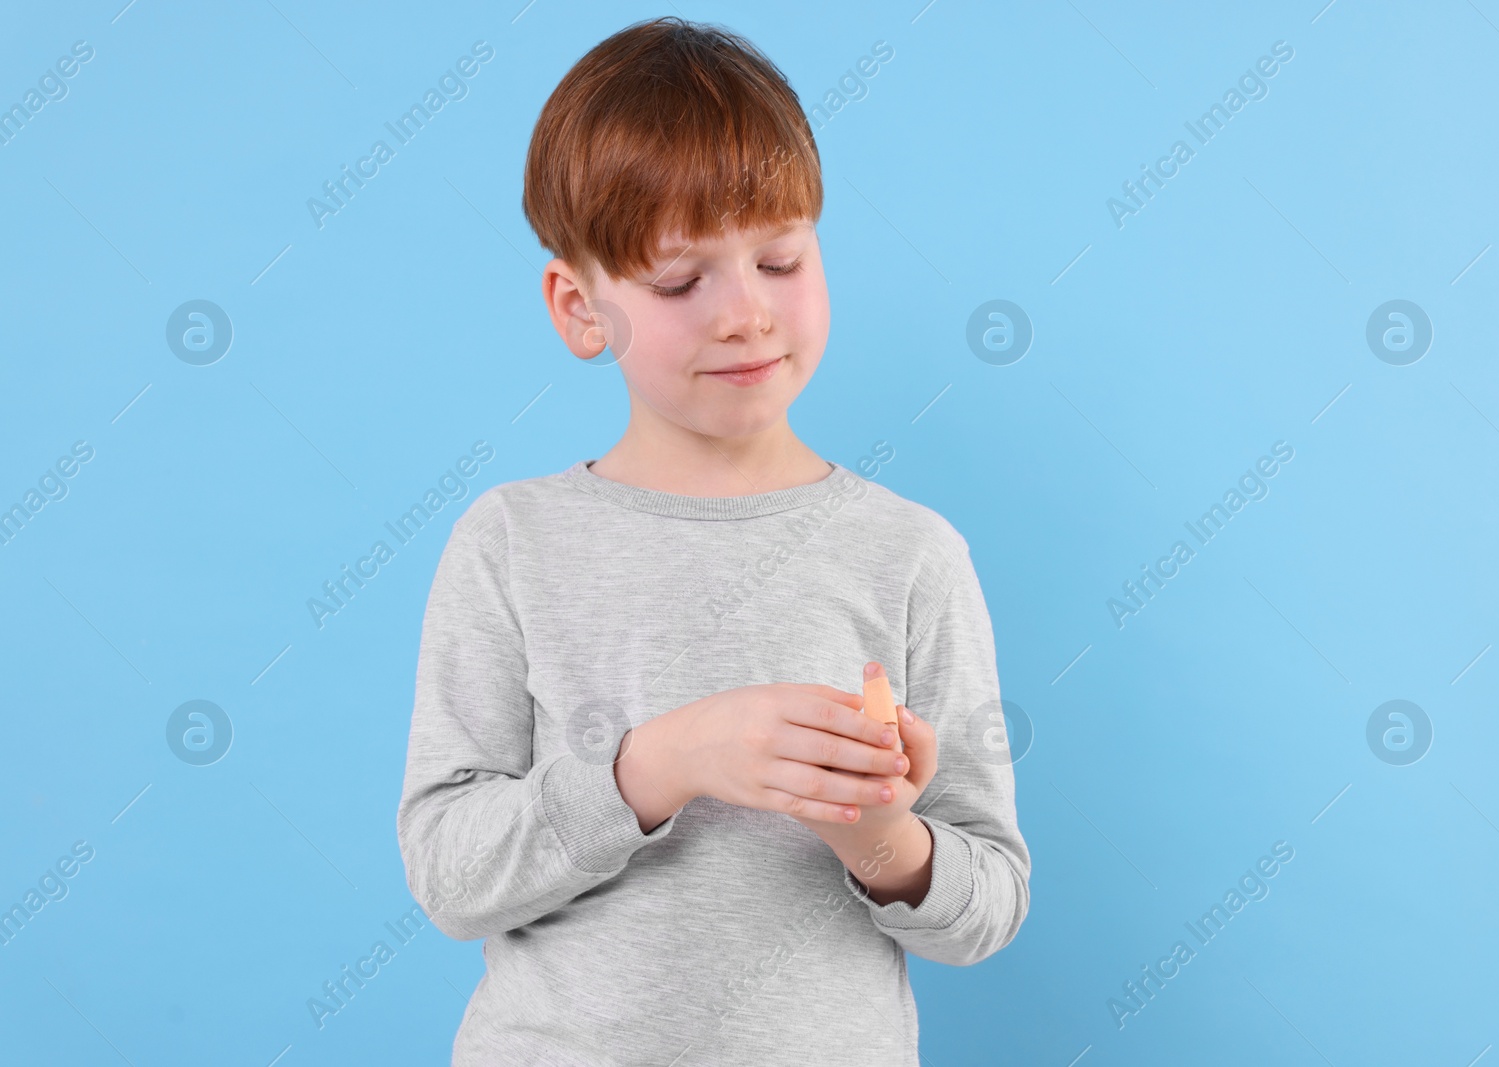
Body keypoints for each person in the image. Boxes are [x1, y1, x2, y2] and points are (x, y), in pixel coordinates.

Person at [396, 16, 1029, 1065]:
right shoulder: (512, 541)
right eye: (683, 281)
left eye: (780, 259)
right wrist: (663, 761)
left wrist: (871, 833)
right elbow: (450, 875)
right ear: (579, 305)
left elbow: (987, 902)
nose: (745, 313)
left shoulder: (910, 554)